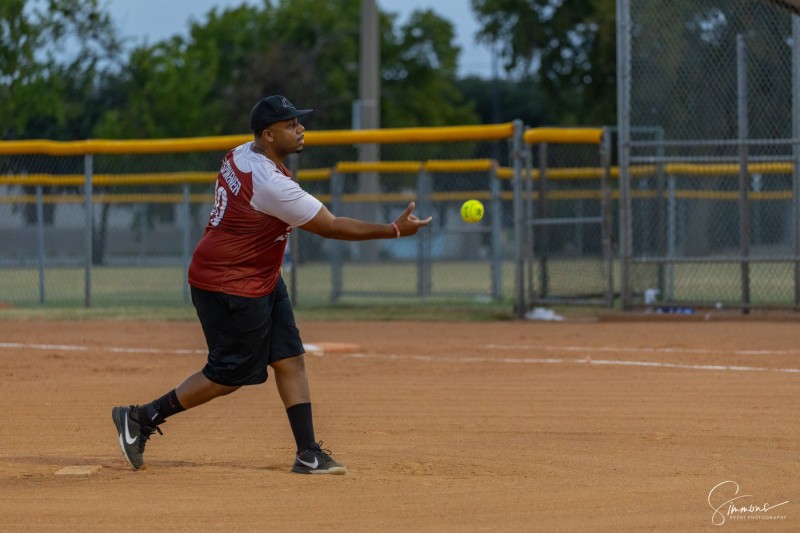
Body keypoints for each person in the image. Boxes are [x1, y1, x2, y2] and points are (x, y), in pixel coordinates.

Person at [112, 95, 432, 474]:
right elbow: (329, 226)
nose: (300, 129)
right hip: (228, 283)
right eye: (290, 124)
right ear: (268, 134)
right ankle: (141, 418)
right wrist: (394, 230)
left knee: (289, 358)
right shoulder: (269, 183)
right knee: (227, 376)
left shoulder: (241, 154)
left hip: (258, 276)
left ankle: (307, 453)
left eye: (299, 122)